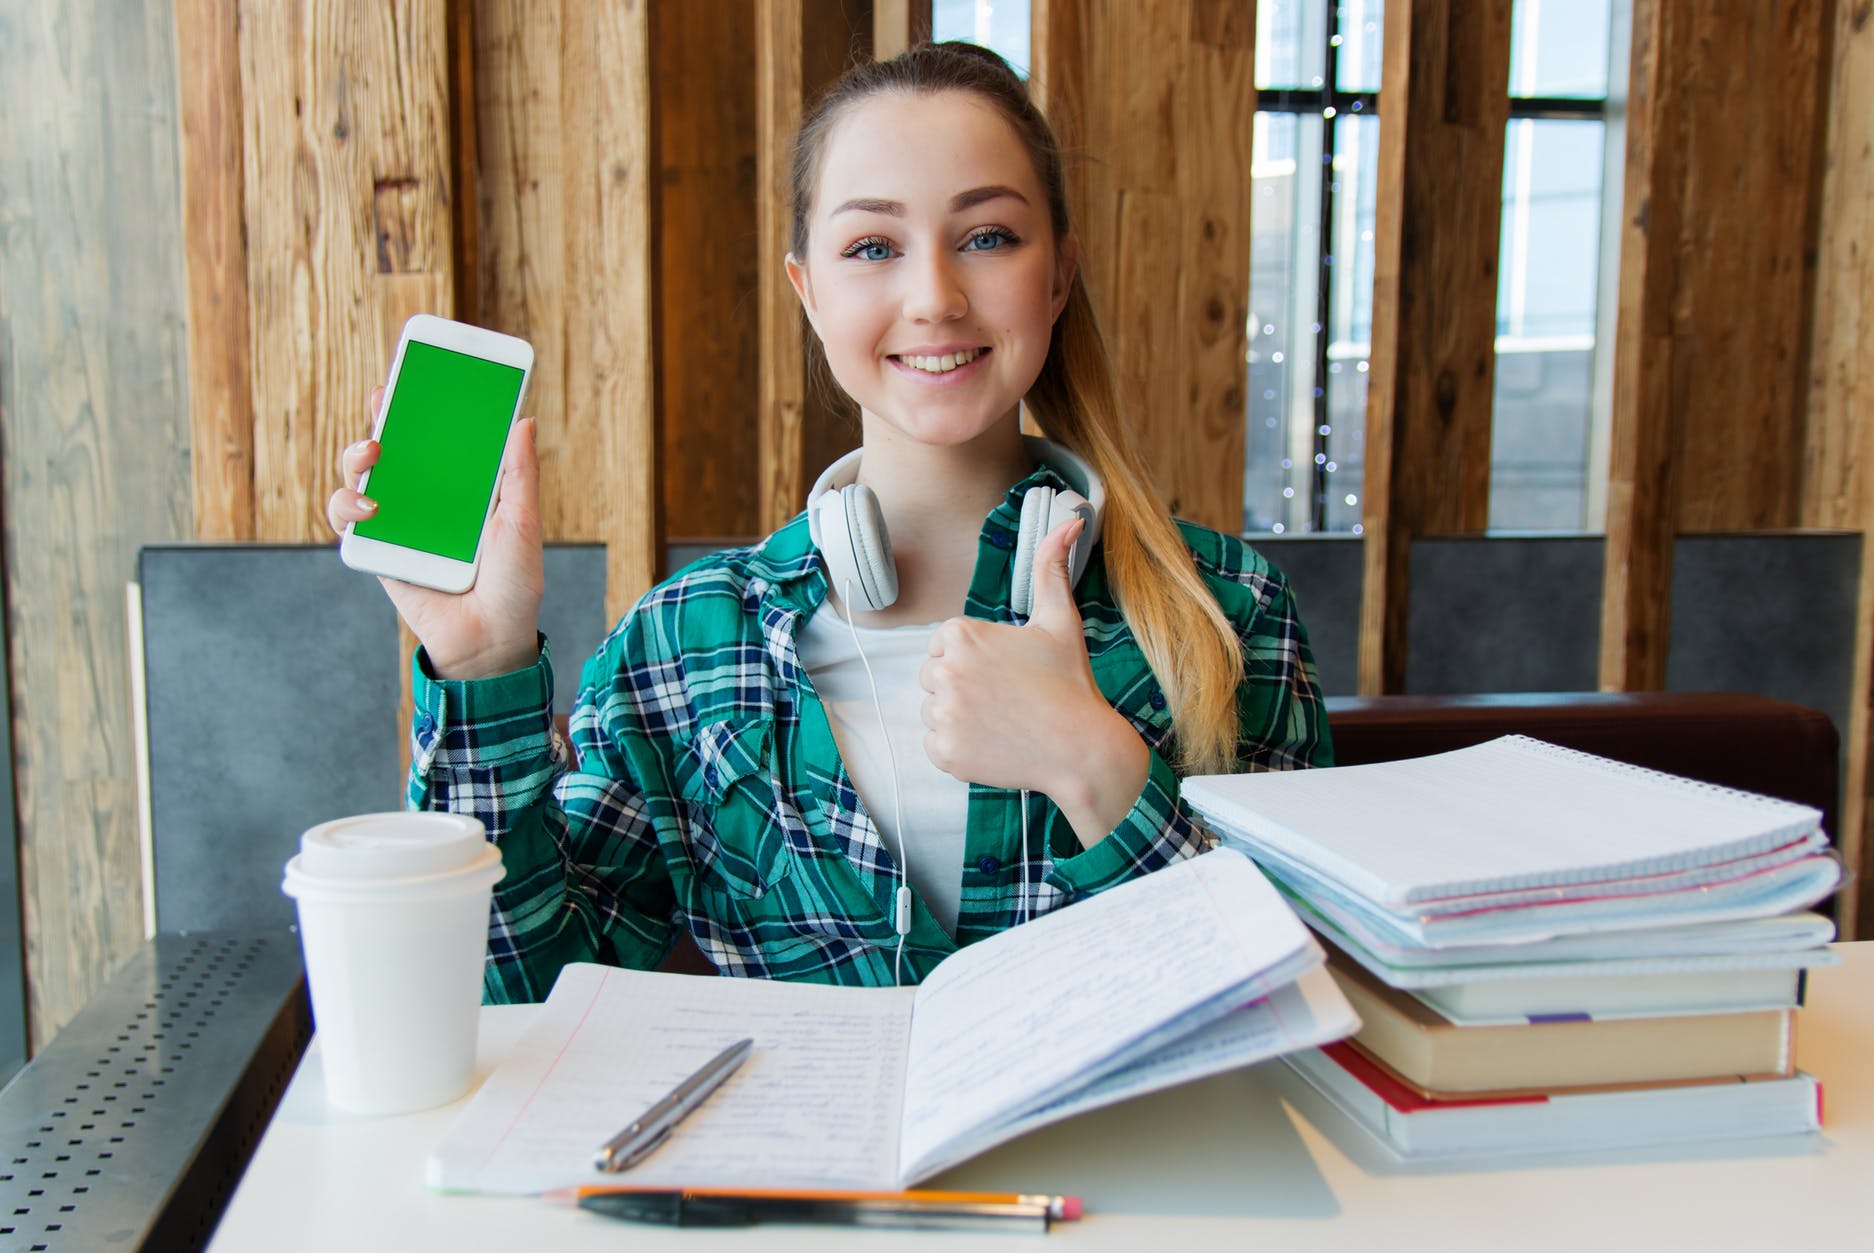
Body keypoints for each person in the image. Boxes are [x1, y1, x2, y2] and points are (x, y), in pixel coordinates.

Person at [327, 41, 1331, 1003]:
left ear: (1057, 274)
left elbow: (1304, 1011)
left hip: (1137, 1181)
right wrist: (481, 662)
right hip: (806, 1180)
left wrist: (1092, 763)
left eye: (986, 236)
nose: (933, 295)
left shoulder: (1225, 608)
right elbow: (513, 992)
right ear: (807, 289)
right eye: (872, 246)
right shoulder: (688, 643)